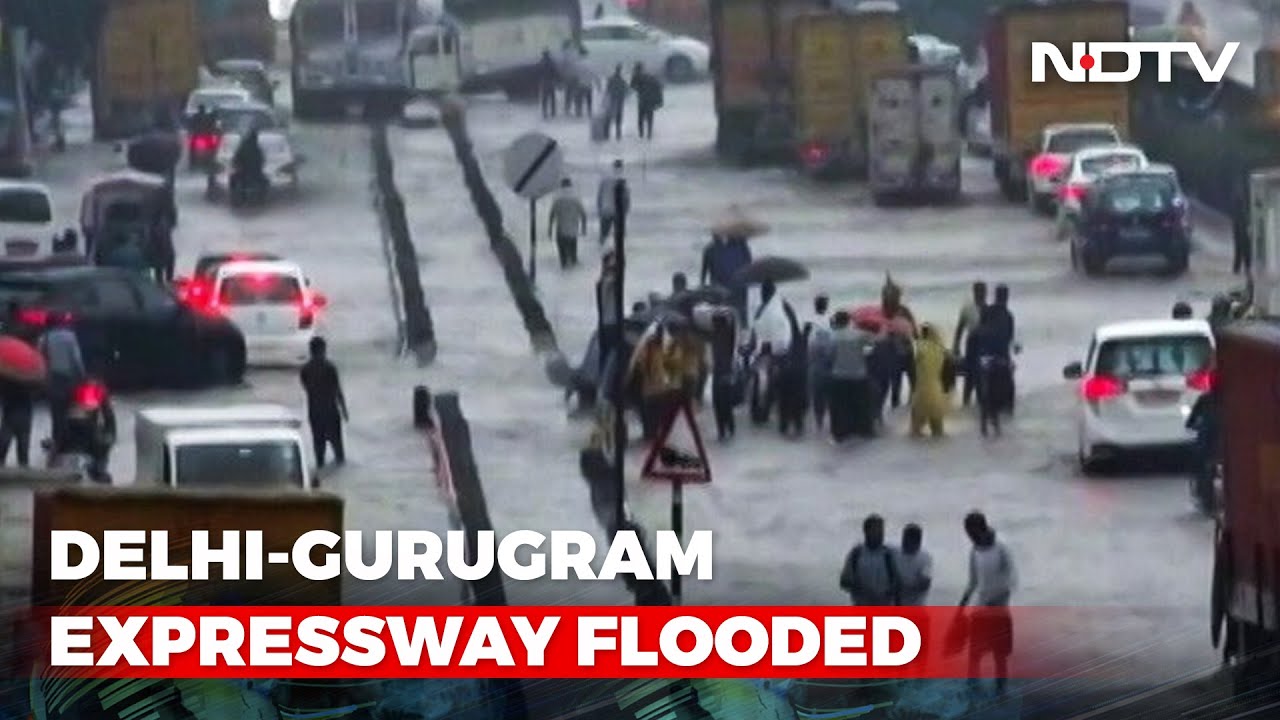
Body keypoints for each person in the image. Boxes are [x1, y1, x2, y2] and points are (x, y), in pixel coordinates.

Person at [959, 511, 1017, 695]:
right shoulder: (974, 550)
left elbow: (1011, 581)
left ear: (980, 528)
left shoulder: (1001, 548)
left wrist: (997, 600)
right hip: (980, 609)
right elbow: (973, 581)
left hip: (999, 611)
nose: (969, 536)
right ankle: (972, 689)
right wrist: (961, 607)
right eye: (968, 533)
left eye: (971, 532)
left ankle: (1001, 691)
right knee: (974, 654)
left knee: (1000, 656)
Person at [299, 336, 349, 468]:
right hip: (331, 412)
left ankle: (320, 467)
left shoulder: (305, 369)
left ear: (310, 350)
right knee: (338, 449)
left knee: (318, 446)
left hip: (314, 413)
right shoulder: (329, 367)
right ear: (323, 350)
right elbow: (337, 390)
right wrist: (344, 410)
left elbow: (306, 387)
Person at [38, 312, 84, 450]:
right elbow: (76, 358)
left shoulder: (44, 338)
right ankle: (69, 439)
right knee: (70, 409)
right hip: (69, 378)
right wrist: (82, 375)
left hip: (53, 379)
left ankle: (57, 440)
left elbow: (41, 359)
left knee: (56, 412)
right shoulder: (70, 336)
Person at [827, 311, 873, 442]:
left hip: (839, 376)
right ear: (849, 321)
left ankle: (840, 434)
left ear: (836, 322)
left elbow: (829, 355)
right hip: (859, 376)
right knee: (861, 406)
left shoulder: (833, 337)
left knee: (840, 408)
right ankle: (863, 431)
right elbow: (870, 349)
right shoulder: (860, 334)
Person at [839, 514, 900, 606]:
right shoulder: (856, 554)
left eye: (881, 530)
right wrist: (861, 589)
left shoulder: (890, 555)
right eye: (876, 530)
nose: (880, 534)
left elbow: (899, 584)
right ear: (866, 531)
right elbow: (844, 582)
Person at [910, 322, 951, 438]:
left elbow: (915, 366)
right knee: (938, 432)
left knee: (915, 432)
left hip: (921, 391)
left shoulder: (919, 347)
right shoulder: (942, 349)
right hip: (936, 391)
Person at [1187, 378, 1220, 511]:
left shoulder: (1205, 399)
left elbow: (1190, 422)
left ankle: (1204, 497)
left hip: (1207, 445)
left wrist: (1198, 426)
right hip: (1223, 443)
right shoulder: (1233, 398)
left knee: (1200, 462)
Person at [954, 281, 987, 407]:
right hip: (972, 345)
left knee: (981, 381)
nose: (981, 294)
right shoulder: (967, 309)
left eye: (983, 291)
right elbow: (960, 329)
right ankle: (966, 405)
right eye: (979, 291)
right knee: (969, 379)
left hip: (983, 346)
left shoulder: (989, 309)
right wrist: (956, 347)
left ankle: (977, 408)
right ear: (974, 292)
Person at [709, 312, 740, 441]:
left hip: (722, 373)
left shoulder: (722, 336)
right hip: (722, 373)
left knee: (721, 403)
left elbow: (733, 329)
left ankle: (724, 428)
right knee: (723, 403)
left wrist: (731, 317)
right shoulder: (719, 336)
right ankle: (726, 428)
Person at [548, 177, 587, 269]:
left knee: (562, 255)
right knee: (573, 254)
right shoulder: (576, 198)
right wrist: (584, 229)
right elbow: (583, 215)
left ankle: (564, 268)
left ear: (561, 186)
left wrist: (549, 230)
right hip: (573, 230)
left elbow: (552, 215)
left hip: (561, 231)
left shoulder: (557, 199)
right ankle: (574, 274)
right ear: (570, 185)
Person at [807, 295, 833, 428]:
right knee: (828, 392)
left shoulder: (809, 322)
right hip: (829, 361)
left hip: (814, 361)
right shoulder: (830, 321)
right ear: (826, 306)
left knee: (817, 393)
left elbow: (807, 343)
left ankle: (819, 422)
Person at [895, 524, 933, 606]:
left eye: (911, 539)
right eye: (904, 538)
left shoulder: (924, 558)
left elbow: (925, 584)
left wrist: (903, 590)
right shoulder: (894, 553)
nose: (905, 542)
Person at [0, 376, 33, 466]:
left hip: (10, 415)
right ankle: (23, 468)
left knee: (4, 443)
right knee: (23, 446)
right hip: (25, 416)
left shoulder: (6, 379)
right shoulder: (30, 380)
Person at [597, 160, 627, 244]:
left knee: (603, 236)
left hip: (606, 209)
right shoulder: (622, 179)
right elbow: (625, 198)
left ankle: (600, 252)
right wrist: (625, 211)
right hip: (618, 211)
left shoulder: (605, 179)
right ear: (622, 167)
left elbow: (599, 196)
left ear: (613, 167)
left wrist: (599, 209)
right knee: (619, 238)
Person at [631, 63, 663, 139]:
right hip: (649, 102)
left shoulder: (637, 77)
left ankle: (642, 135)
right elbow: (659, 89)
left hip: (643, 101)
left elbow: (632, 86)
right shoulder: (651, 77)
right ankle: (649, 134)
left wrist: (638, 89)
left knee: (641, 119)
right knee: (649, 119)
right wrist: (660, 101)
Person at [231, 128, 265, 193]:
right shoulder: (257, 149)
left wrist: (237, 166)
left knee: (234, 180)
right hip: (255, 173)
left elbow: (236, 159)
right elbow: (262, 160)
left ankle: (236, 196)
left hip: (243, 173)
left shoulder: (243, 147)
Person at [148, 217, 175, 284]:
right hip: (162, 251)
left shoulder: (159, 229)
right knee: (161, 267)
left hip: (163, 251)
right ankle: (164, 282)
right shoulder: (158, 230)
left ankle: (163, 282)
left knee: (161, 267)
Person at [605, 65, 629, 141]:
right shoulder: (622, 81)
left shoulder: (611, 79)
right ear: (620, 71)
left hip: (612, 100)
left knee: (609, 118)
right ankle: (618, 135)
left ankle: (607, 135)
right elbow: (626, 91)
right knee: (618, 119)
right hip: (619, 101)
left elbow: (607, 90)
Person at [538, 49, 559, 118]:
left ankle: (545, 113)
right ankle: (553, 112)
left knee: (544, 98)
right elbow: (555, 72)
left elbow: (538, 72)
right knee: (552, 98)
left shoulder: (541, 62)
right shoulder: (552, 62)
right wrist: (557, 80)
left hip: (544, 82)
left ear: (543, 55)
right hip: (551, 82)